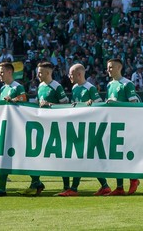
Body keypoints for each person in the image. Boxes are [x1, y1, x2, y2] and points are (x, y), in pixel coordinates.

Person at [61, 63, 108, 197]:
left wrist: (91, 104)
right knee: (87, 159)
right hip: (78, 127)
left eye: (71, 74)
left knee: (80, 157)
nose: (69, 76)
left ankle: (74, 188)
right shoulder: (75, 87)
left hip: (89, 128)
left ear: (79, 74)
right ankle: (105, 186)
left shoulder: (90, 88)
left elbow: (100, 105)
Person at [22, 61, 69, 196]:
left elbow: (66, 105)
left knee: (60, 156)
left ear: (48, 73)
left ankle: (66, 186)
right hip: (43, 125)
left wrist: (50, 104)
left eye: (40, 72)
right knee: (34, 154)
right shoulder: (40, 86)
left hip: (56, 126)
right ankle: (36, 182)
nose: (38, 74)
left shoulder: (57, 87)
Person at [104, 58, 141, 196]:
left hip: (127, 125)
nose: (108, 70)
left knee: (127, 154)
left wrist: (117, 103)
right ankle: (119, 187)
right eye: (108, 67)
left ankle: (134, 179)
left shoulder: (127, 84)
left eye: (111, 67)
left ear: (119, 67)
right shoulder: (109, 85)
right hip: (114, 125)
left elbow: (134, 105)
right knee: (116, 155)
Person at [0, 61, 27, 198]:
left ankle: (36, 182)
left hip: (17, 127)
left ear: (10, 72)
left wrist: (14, 99)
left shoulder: (17, 86)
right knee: (2, 156)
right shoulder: (2, 88)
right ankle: (2, 189)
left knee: (23, 156)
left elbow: (24, 98)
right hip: (5, 127)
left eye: (2, 71)